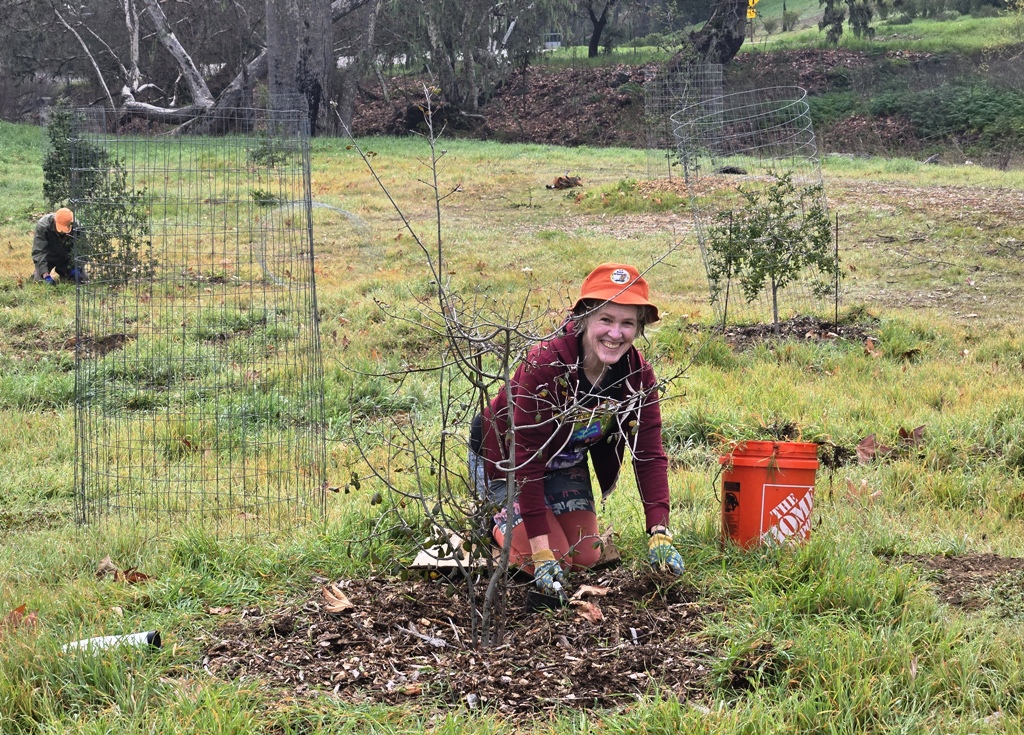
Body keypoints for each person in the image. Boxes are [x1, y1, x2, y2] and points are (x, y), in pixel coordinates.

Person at [469, 262, 685, 597]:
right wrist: (540, 551)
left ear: (639, 328)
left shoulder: (638, 377)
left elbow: (649, 454)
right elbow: (525, 458)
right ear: (584, 319)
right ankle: (490, 520)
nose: (616, 333)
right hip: (506, 462)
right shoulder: (546, 365)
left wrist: (659, 530)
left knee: (584, 555)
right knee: (548, 556)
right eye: (606, 320)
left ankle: (539, 521)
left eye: (627, 323)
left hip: (564, 462)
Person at [31, 208, 84, 284]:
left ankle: (66, 273)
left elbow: (84, 249)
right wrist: (45, 274)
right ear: (54, 220)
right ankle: (41, 274)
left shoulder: (78, 227)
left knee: (80, 279)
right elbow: (39, 252)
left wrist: (77, 268)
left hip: (67, 259)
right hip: (48, 258)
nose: (63, 232)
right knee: (40, 281)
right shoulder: (43, 226)